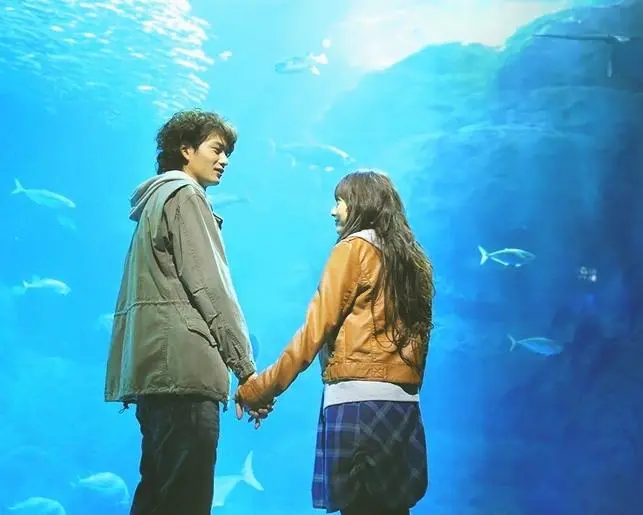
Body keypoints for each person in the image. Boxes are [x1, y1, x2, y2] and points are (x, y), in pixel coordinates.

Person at [235, 169, 434, 515]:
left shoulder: (353, 250)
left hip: (356, 408)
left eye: (340, 201)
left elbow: (314, 332)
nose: (333, 211)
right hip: (403, 409)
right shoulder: (415, 261)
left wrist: (259, 389)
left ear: (362, 204)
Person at [104, 109, 271, 515]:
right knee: (186, 501)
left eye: (228, 153)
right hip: (185, 376)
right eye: (216, 149)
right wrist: (246, 370)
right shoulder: (187, 196)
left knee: (155, 497)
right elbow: (211, 288)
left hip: (154, 377)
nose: (224, 160)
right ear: (185, 149)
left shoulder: (153, 203)